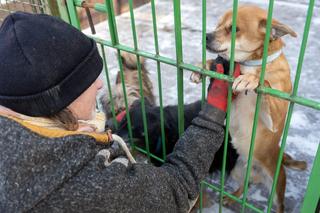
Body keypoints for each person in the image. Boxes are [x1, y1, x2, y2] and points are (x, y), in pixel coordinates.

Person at [0, 12, 239, 213]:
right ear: (57, 100)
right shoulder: (86, 185)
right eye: (86, 81)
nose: (99, 85)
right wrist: (214, 111)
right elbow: (175, 191)